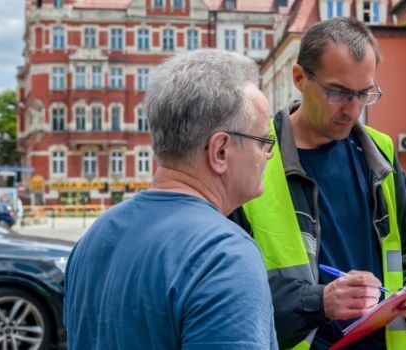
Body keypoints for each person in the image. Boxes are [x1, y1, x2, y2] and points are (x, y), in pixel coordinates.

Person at [230, 18, 406, 349]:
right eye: (338, 92)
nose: (353, 109)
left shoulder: (380, 152)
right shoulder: (254, 157)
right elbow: (232, 294)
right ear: (299, 78)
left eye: (364, 93)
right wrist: (317, 302)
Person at [64, 49, 278, 349]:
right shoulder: (223, 256)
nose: (268, 155)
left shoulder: (97, 235)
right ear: (220, 151)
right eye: (264, 141)